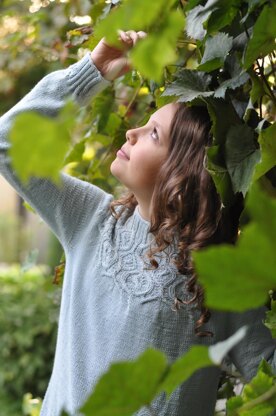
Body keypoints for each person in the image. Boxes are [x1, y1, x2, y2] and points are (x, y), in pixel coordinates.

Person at [0, 30, 275, 416]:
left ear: (185, 174)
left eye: (153, 134)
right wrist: (93, 70)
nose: (132, 131)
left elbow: (269, 369)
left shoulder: (220, 274)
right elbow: (9, 141)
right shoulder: (92, 219)